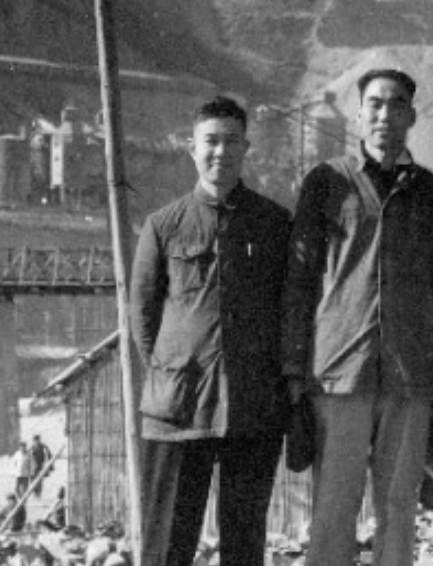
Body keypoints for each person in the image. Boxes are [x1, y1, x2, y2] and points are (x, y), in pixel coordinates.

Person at [281, 68, 433, 566]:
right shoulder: (327, 182)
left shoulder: (430, 191)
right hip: (341, 370)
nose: (384, 115)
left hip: (410, 372)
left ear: (412, 116)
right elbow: (300, 279)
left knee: (399, 506)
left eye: (396, 104)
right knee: (334, 507)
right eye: (375, 104)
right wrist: (294, 368)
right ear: (359, 115)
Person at [130, 96, 290, 566]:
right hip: (178, 409)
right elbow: (143, 318)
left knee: (245, 544)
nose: (221, 151)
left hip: (251, 406)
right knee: (167, 544)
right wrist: (176, 370)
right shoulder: (163, 226)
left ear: (246, 148)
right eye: (211, 141)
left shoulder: (274, 223)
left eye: (231, 141)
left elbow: (287, 310)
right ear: (192, 148)